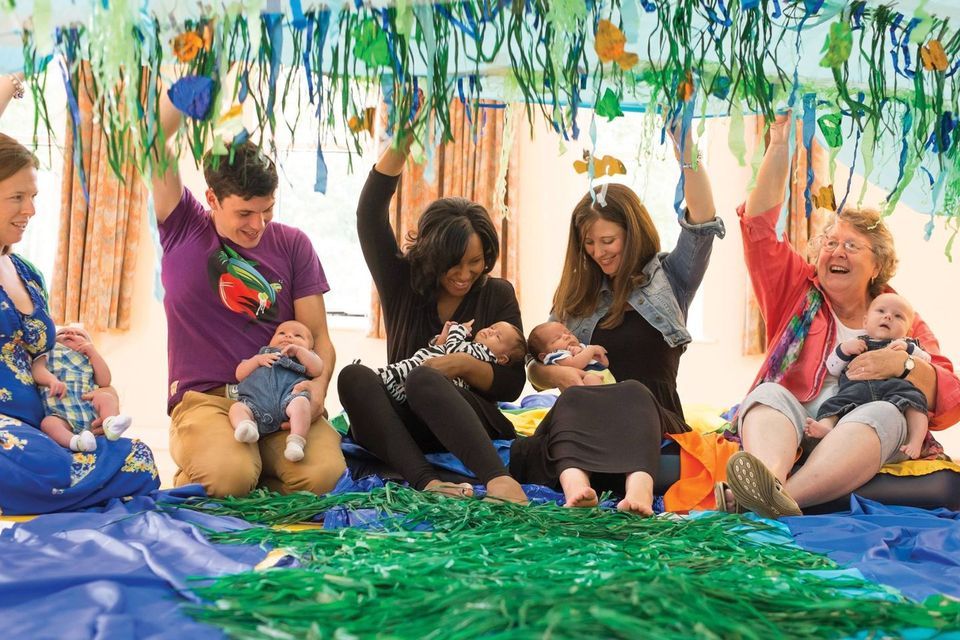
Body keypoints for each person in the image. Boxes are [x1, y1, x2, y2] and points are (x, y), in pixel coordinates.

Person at [722, 113, 960, 519]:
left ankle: (776, 499)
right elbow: (758, 227)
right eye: (830, 243)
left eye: (852, 246)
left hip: (860, 424)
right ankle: (770, 481)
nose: (836, 252)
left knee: (885, 412)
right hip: (798, 419)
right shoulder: (796, 290)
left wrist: (902, 365)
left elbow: (949, 395)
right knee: (766, 395)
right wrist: (778, 145)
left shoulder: (899, 316)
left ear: (877, 265)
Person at [513, 127, 723, 514]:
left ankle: (638, 493)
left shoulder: (670, 278)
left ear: (633, 232)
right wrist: (555, 375)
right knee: (572, 402)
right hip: (587, 421)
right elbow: (535, 365)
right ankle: (578, 489)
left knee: (633, 391)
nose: (598, 252)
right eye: (589, 244)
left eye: (608, 241)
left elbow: (703, 219)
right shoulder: (576, 297)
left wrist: (688, 149)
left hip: (650, 417)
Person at [150, 91, 345, 497]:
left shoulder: (293, 245)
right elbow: (153, 140)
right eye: (244, 213)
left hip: (283, 394)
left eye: (267, 210)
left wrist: (318, 390)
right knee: (230, 477)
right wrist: (185, 93)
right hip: (207, 400)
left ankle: (251, 475)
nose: (258, 225)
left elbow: (318, 336)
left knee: (326, 477)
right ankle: (223, 473)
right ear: (212, 199)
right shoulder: (183, 225)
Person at [337, 134, 529, 503]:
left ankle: (500, 481)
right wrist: (402, 140)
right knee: (353, 377)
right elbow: (369, 215)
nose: (465, 274)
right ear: (431, 254)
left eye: (476, 262)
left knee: (425, 379)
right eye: (453, 265)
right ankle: (426, 482)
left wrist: (460, 364)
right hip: (405, 425)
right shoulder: (401, 281)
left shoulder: (497, 293)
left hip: (467, 424)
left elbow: (512, 383)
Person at [0, 122, 158, 514]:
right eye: (17, 196)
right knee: (31, 461)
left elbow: (41, 358)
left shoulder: (28, 274)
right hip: (10, 436)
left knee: (138, 457)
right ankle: (76, 483)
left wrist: (98, 394)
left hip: (49, 423)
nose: (30, 210)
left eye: (33, 196)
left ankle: (67, 483)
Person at [804, 293, 931, 460]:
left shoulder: (907, 345)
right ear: (865, 322)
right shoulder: (854, 343)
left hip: (894, 388)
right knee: (832, 403)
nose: (888, 316)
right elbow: (832, 368)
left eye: (898, 316)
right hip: (857, 389)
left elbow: (927, 360)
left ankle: (916, 441)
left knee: (916, 402)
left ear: (907, 331)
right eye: (881, 311)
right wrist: (844, 350)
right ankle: (826, 426)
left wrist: (908, 349)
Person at [230, 320, 324, 463]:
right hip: (254, 404)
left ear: (310, 349)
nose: (288, 336)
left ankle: (296, 442)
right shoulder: (262, 355)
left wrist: (299, 351)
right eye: (281, 333)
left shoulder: (303, 359)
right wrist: (256, 360)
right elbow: (239, 374)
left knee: (302, 403)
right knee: (237, 408)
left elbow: (317, 369)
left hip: (288, 400)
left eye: (298, 336)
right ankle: (246, 426)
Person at [31, 324, 133, 452]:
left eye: (79, 334)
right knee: (48, 424)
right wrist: (51, 380)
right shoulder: (49, 351)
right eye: (62, 333)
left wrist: (94, 354)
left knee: (106, 398)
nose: (70, 333)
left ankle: (110, 424)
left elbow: (104, 381)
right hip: (60, 413)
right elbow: (37, 369)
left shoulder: (89, 358)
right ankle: (77, 442)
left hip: (89, 409)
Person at [379, 320, 526, 404]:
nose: (490, 331)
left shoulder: (483, 353)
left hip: (433, 378)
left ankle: (385, 377)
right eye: (492, 327)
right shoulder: (471, 346)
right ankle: (391, 386)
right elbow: (441, 350)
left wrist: (458, 330)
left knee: (404, 370)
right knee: (406, 372)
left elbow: (453, 350)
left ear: (502, 359)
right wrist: (442, 339)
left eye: (497, 337)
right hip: (424, 370)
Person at [527, 321, 614, 386]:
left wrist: (599, 356)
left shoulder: (582, 347)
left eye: (568, 333)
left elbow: (604, 364)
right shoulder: (556, 355)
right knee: (590, 378)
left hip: (607, 380)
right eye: (557, 338)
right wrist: (591, 350)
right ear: (544, 356)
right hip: (585, 384)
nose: (567, 336)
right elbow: (576, 364)